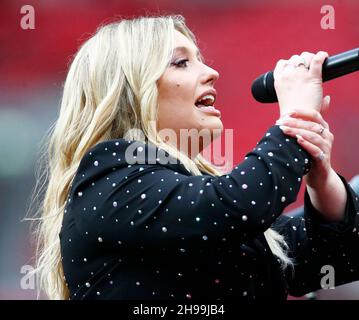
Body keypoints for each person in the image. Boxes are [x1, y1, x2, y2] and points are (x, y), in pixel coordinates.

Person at [31, 15, 359, 300]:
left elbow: (323, 258)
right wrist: (296, 117)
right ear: (129, 91)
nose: (212, 72)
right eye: (181, 62)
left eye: (200, 59)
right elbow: (237, 206)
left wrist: (322, 180)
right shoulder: (108, 178)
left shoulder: (202, 197)